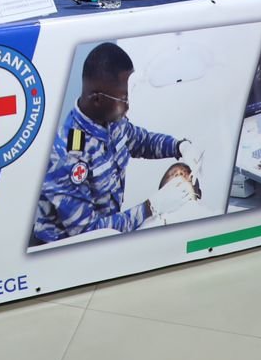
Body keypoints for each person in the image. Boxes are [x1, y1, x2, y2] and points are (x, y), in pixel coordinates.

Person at [32, 43, 202, 242]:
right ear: (97, 99)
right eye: (123, 99)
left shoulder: (111, 120)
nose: (128, 107)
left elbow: (141, 141)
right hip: (64, 252)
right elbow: (88, 234)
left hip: (110, 231)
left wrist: (179, 146)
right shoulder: (68, 154)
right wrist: (151, 207)